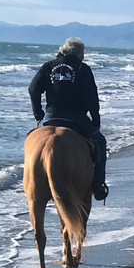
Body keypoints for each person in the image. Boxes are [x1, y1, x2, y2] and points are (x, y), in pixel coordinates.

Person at [28, 37, 108, 200]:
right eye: (83, 53)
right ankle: (98, 186)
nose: (84, 56)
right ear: (78, 53)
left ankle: (31, 180)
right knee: (100, 143)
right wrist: (96, 121)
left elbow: (33, 90)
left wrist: (38, 114)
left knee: (31, 141)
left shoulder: (48, 66)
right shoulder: (82, 68)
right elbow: (92, 98)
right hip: (76, 118)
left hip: (51, 117)